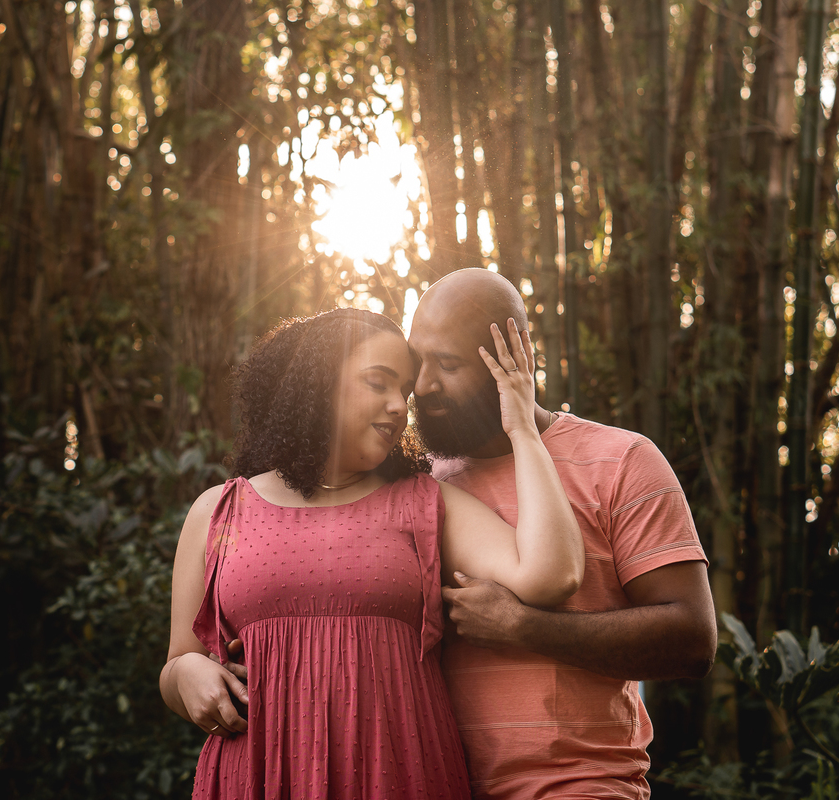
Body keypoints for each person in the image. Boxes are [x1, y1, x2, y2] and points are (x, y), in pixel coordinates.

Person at [159, 307, 585, 799]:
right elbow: (176, 664)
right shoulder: (218, 511)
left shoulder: (423, 501)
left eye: (402, 392)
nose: (398, 405)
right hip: (259, 775)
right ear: (317, 384)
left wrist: (524, 429)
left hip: (399, 773)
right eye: (377, 383)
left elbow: (552, 574)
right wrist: (185, 676)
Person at [407, 268, 718, 800]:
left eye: (448, 364)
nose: (422, 385)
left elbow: (692, 641)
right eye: (418, 362)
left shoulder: (622, 462)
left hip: (579, 786)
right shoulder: (413, 482)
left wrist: (523, 626)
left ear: (516, 355)